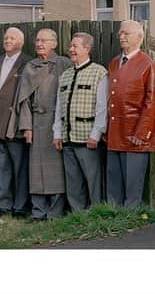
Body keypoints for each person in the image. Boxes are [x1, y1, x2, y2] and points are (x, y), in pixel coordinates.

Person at [106, 20, 155, 209]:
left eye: (126, 33)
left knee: (133, 183)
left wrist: (142, 133)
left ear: (139, 38)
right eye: (120, 33)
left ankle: (131, 217)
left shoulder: (147, 64)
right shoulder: (114, 63)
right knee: (114, 179)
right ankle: (112, 214)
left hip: (134, 134)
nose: (121, 36)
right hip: (115, 132)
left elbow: (153, 102)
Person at [16, 28, 73, 220]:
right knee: (35, 169)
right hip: (36, 122)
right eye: (37, 40)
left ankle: (55, 211)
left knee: (55, 170)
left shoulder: (64, 64)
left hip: (56, 123)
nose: (39, 44)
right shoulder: (30, 66)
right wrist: (27, 127)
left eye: (44, 40)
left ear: (54, 44)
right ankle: (38, 210)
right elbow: (23, 100)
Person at [53, 32, 108, 212]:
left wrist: (96, 134)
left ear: (87, 48)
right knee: (73, 180)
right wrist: (57, 133)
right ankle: (78, 213)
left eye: (75, 46)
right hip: (68, 138)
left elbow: (102, 108)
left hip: (88, 139)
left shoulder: (99, 73)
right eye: (71, 46)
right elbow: (59, 108)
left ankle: (96, 212)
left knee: (93, 179)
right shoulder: (66, 75)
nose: (71, 49)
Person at [0, 27, 31, 217]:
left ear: (21, 41)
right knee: (0, 169)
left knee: (19, 170)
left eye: (12, 38)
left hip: (15, 125)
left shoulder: (27, 63)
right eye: (5, 38)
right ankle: (4, 206)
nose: (7, 41)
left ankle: (20, 207)